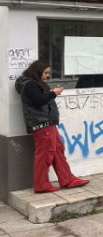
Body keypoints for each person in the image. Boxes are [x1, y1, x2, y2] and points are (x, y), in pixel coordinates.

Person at [15, 60, 90, 193]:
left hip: (48, 123)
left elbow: (41, 100)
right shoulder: (30, 85)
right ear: (37, 71)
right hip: (42, 124)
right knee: (45, 154)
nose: (47, 76)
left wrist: (52, 93)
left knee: (58, 149)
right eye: (45, 73)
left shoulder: (34, 83)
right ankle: (41, 185)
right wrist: (54, 93)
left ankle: (67, 179)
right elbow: (38, 101)